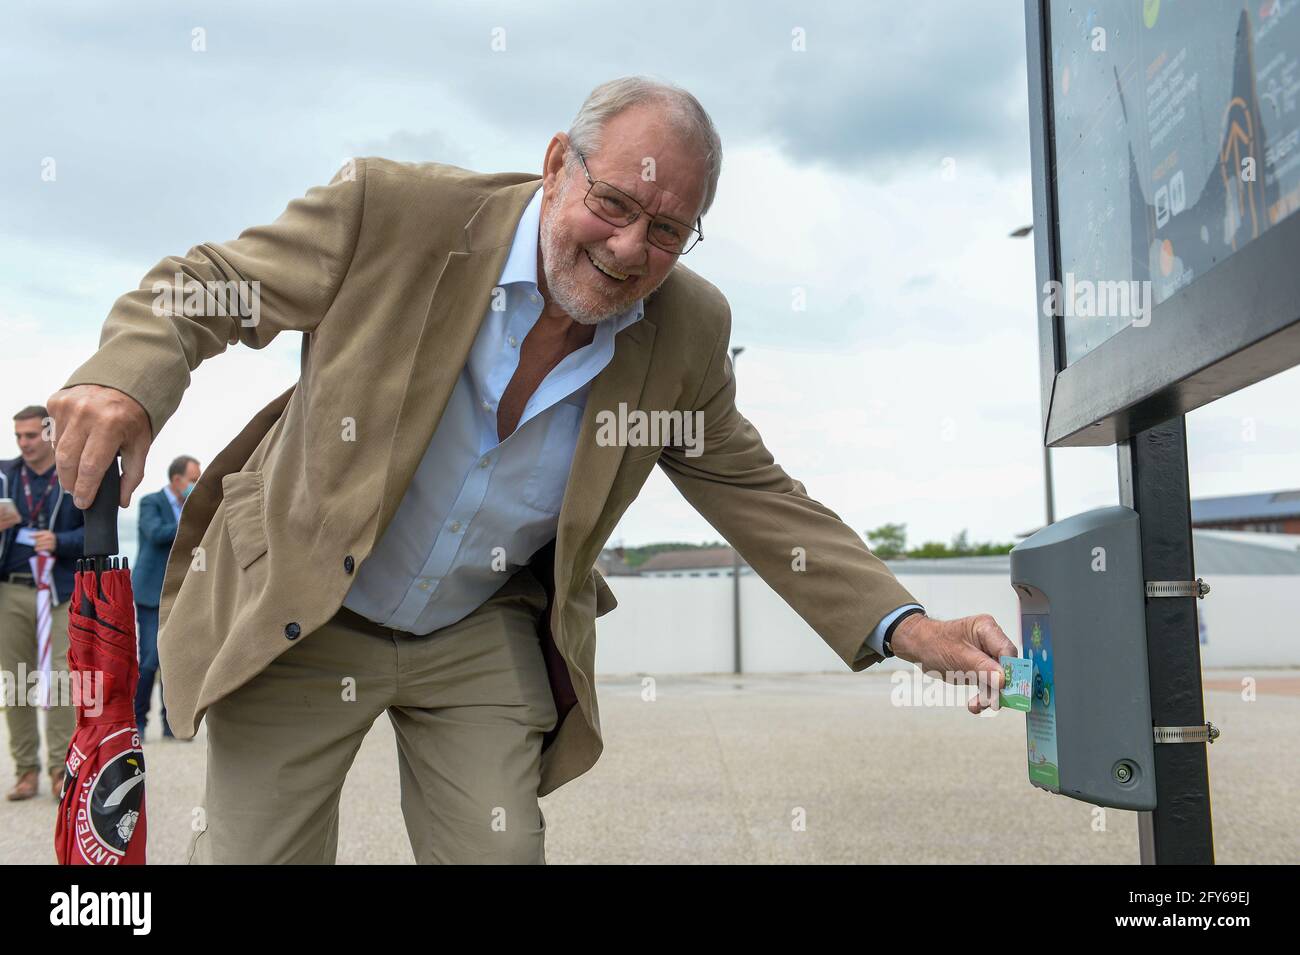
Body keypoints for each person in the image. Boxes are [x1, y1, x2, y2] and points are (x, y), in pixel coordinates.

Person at [46, 76, 1016, 863]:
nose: (631, 249)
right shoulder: (395, 213)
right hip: (309, 606)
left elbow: (755, 491)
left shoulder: (687, 331)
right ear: (558, 164)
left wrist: (905, 624)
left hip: (477, 627)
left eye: (669, 231)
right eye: (614, 203)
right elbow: (207, 284)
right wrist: (125, 379)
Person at [0, 405, 84, 801]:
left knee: (61, 684)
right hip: (12, 588)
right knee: (16, 681)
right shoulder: (4, 474)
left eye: (31, 435)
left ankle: (58, 768)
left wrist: (61, 542)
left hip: (59, 591)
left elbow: (99, 535)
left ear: (50, 434)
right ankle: (25, 770)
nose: (23, 443)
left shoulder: (75, 474)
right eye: (18, 436)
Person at [132, 454, 200, 741]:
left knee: (175, 660)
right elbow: (156, 534)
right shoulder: (151, 502)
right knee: (149, 659)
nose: (197, 485)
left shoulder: (194, 508)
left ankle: (172, 724)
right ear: (177, 480)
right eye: (193, 480)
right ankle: (138, 722)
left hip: (182, 594)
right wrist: (191, 517)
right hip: (150, 593)